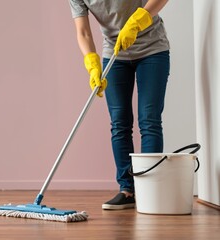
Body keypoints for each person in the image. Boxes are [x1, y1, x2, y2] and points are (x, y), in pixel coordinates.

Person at [68, 0, 170, 210]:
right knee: (119, 123)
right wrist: (92, 63)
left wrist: (139, 20)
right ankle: (128, 190)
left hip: (152, 49)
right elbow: (83, 32)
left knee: (149, 119)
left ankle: (149, 191)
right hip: (115, 53)